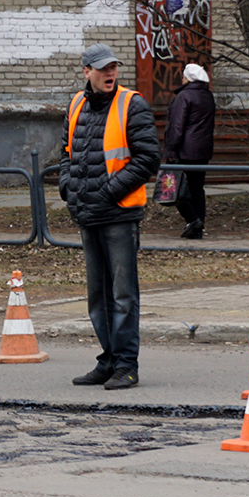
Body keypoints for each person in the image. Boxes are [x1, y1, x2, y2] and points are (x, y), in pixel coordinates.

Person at [59, 43, 161, 390]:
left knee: (122, 295)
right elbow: (67, 153)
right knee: (98, 296)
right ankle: (109, 360)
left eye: (113, 68)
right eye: (102, 69)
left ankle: (126, 365)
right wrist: (67, 188)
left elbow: (147, 160)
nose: (110, 74)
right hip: (88, 213)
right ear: (86, 71)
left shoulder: (132, 104)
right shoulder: (76, 104)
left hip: (118, 214)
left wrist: (106, 194)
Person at [164, 63, 216, 239]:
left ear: (188, 78)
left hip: (184, 149)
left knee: (173, 187)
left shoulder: (183, 96)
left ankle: (192, 219)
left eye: (184, 76)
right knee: (196, 188)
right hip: (203, 149)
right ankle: (197, 228)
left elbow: (176, 127)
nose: (182, 79)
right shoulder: (207, 96)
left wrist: (171, 151)